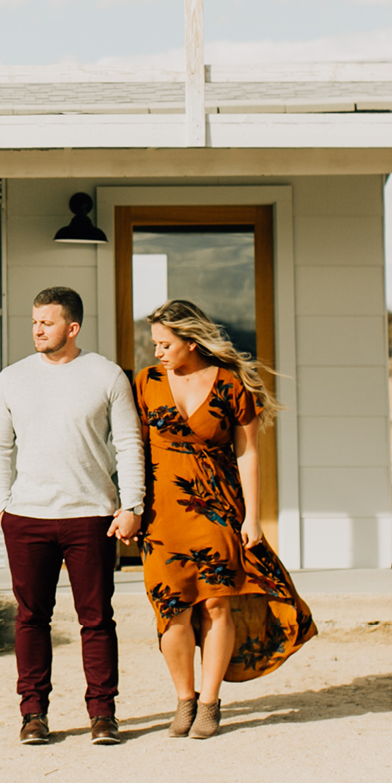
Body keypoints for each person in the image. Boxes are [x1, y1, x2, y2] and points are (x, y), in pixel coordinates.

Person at [134, 298, 315, 740]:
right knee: (171, 609)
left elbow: (248, 453)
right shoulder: (146, 382)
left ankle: (210, 704)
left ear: (191, 341)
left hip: (217, 509)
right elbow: (133, 448)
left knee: (216, 603)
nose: (157, 352)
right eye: (154, 343)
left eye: (164, 343)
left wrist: (253, 517)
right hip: (162, 515)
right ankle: (184, 699)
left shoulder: (231, 385)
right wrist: (132, 508)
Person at [0, 286, 144, 747]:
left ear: (71, 328)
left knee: (96, 620)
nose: (38, 329)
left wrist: (130, 504)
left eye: (47, 322)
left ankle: (103, 714)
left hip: (91, 515)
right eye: (34, 321)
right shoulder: (11, 379)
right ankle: (33, 714)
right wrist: (2, 505)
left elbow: (129, 444)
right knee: (31, 618)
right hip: (27, 517)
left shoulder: (106, 375)